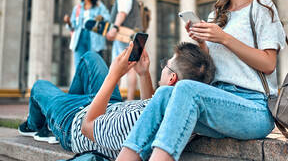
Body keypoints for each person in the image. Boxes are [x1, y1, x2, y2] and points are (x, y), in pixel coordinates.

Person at [118, 0, 286, 161]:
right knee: (164, 93)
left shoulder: (262, 5)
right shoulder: (217, 14)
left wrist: (224, 38)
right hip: (216, 102)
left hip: (254, 109)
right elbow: (215, 68)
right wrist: (203, 45)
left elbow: (269, 64)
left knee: (186, 89)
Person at [18, 42, 215, 159]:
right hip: (107, 107)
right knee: (91, 58)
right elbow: (150, 112)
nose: (163, 66)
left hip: (76, 124)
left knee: (40, 87)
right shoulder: (178, 107)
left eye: (166, 64)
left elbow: (87, 127)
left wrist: (114, 75)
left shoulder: (136, 120)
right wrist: (143, 74)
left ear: (172, 79)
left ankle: (38, 126)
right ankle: (58, 115)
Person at [107, 0, 142, 100]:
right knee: (131, 67)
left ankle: (116, 99)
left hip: (125, 34)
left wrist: (114, 27)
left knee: (118, 66)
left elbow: (122, 12)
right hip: (134, 34)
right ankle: (130, 99)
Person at [64, 0, 110, 67]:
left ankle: (93, 80)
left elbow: (108, 17)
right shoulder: (77, 8)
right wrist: (68, 22)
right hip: (80, 37)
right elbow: (73, 27)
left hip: (94, 36)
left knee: (93, 63)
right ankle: (81, 79)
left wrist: (101, 17)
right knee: (79, 63)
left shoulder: (98, 5)